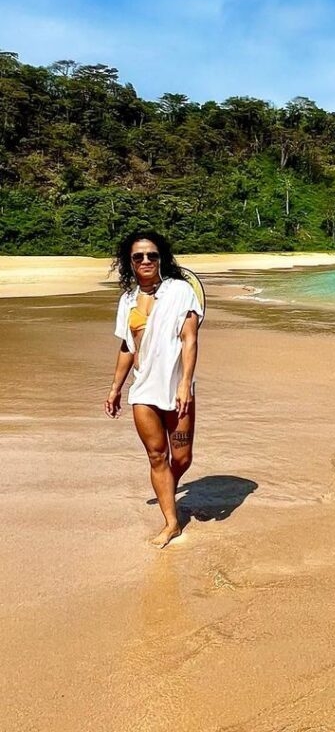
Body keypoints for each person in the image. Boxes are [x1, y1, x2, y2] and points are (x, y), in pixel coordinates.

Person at [106, 230, 203, 548]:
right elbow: (127, 346)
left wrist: (185, 384)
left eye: (152, 255)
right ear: (130, 263)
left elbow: (190, 338)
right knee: (156, 455)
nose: (146, 260)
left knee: (182, 457)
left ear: (161, 258)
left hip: (176, 389)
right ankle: (171, 522)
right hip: (143, 390)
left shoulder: (180, 290)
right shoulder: (128, 300)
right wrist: (115, 388)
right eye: (138, 256)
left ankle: (167, 489)